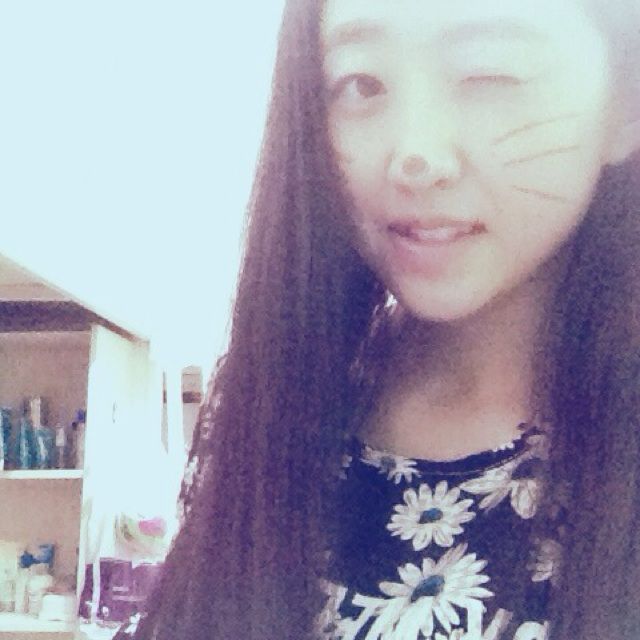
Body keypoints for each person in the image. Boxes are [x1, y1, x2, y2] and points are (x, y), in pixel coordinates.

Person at [118, 0, 640, 638]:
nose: (414, 156)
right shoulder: (283, 402)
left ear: (624, 103)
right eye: (361, 84)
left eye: (489, 73)